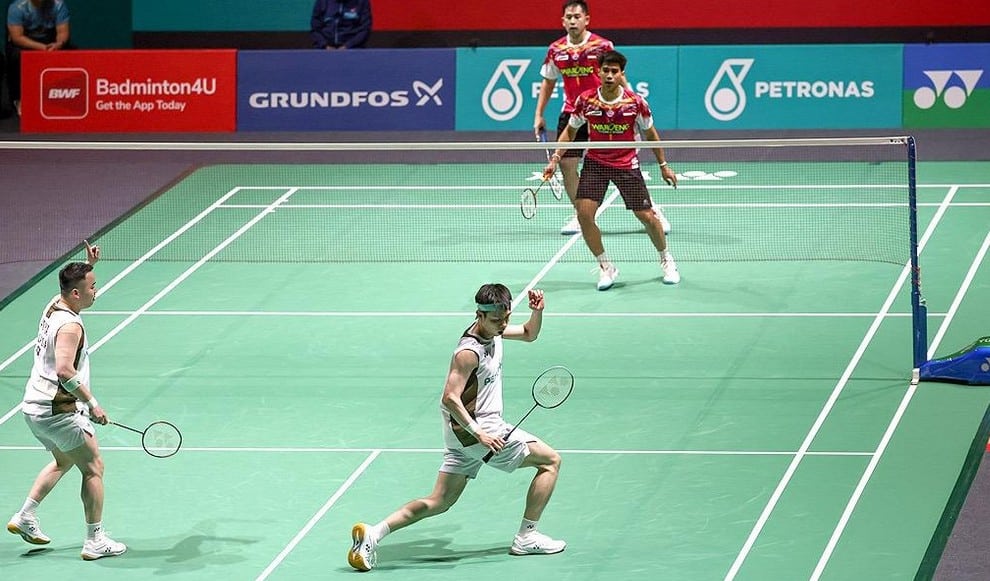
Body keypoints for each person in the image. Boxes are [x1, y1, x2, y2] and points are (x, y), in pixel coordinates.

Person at [347, 284, 565, 572]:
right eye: (496, 320)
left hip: (461, 436)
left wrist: (537, 312)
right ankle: (527, 536)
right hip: (480, 431)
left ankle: (373, 534)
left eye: (506, 318)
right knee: (550, 461)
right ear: (479, 315)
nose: (502, 325)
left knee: (440, 501)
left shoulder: (494, 331)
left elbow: (528, 333)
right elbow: (449, 398)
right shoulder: (468, 352)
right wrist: (480, 434)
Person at [7, 240, 126, 561]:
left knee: (64, 460)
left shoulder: (55, 304)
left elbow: (71, 285)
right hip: (58, 411)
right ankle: (95, 540)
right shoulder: (71, 326)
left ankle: (25, 516)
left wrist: (89, 266)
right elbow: (64, 370)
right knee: (94, 467)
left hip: (34, 406)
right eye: (92, 287)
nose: (96, 291)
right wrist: (92, 403)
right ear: (76, 293)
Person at [544, 50, 680, 291]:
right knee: (584, 215)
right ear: (598, 72)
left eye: (614, 71)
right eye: (605, 70)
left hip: (626, 164)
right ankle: (606, 266)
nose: (609, 75)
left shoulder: (635, 103)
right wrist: (555, 158)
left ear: (621, 74)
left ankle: (666, 259)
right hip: (596, 163)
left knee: (647, 216)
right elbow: (570, 132)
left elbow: (651, 134)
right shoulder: (586, 101)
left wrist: (663, 165)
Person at [533, 0, 670, 236]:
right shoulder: (556, 49)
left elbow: (618, 77)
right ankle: (581, 215)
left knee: (625, 164)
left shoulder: (602, 46)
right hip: (574, 111)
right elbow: (548, 82)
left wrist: (631, 104)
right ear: (563, 21)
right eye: (569, 17)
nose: (573, 21)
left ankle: (652, 210)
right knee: (566, 164)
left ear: (587, 19)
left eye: (577, 16)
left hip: (605, 113)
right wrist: (539, 114)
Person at [6, 0, 71, 117]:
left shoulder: (59, 5)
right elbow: (17, 37)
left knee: (71, 53)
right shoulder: (16, 8)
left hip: (50, 42)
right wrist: (42, 48)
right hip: (25, 44)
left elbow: (62, 32)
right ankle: (19, 99)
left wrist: (58, 44)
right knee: (15, 56)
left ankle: (63, 98)